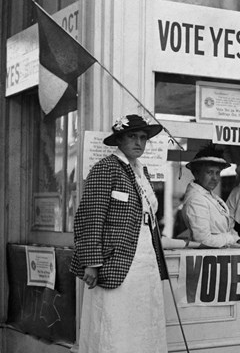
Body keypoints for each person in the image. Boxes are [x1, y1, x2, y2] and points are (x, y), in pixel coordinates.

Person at [70, 114, 168, 352]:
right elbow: (90, 218)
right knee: (114, 324)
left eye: (143, 137)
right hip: (117, 261)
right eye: (132, 136)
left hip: (145, 261)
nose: (139, 142)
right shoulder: (106, 168)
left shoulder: (142, 172)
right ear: (119, 140)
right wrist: (91, 263)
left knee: (143, 323)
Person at [177, 143, 240, 248]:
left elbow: (226, 229)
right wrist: (230, 239)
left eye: (218, 173)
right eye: (210, 172)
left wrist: (237, 239)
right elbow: (203, 240)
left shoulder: (210, 195)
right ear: (196, 173)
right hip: (206, 257)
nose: (215, 178)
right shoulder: (196, 199)